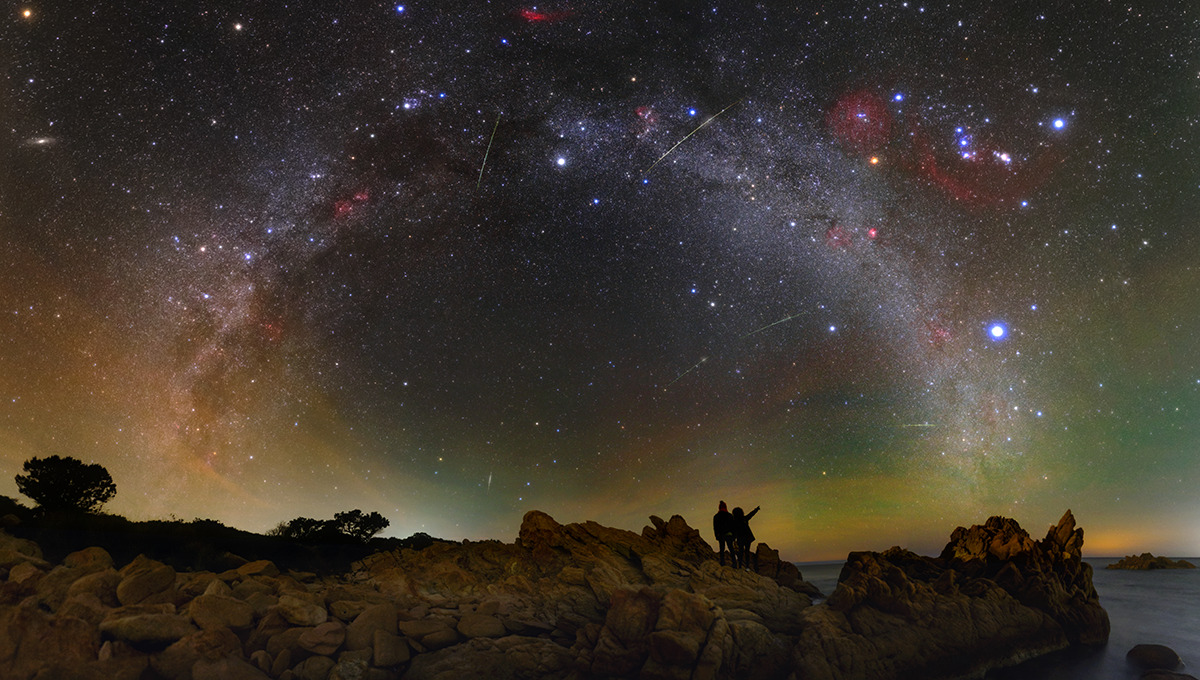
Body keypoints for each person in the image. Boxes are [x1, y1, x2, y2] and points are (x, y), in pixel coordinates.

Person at [732, 505, 759, 570]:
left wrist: (733, 538)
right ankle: (747, 567)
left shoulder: (734, 521)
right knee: (747, 552)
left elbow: (734, 530)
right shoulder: (744, 518)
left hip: (740, 538)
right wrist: (756, 509)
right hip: (747, 538)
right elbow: (751, 514)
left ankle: (740, 566)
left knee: (740, 552)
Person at [712, 500, 738, 567]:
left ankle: (722, 563)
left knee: (722, 549)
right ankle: (734, 563)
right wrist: (734, 535)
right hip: (729, 534)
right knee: (731, 548)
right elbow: (733, 526)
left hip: (721, 535)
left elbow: (715, 527)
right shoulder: (730, 516)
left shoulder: (716, 516)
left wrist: (716, 535)